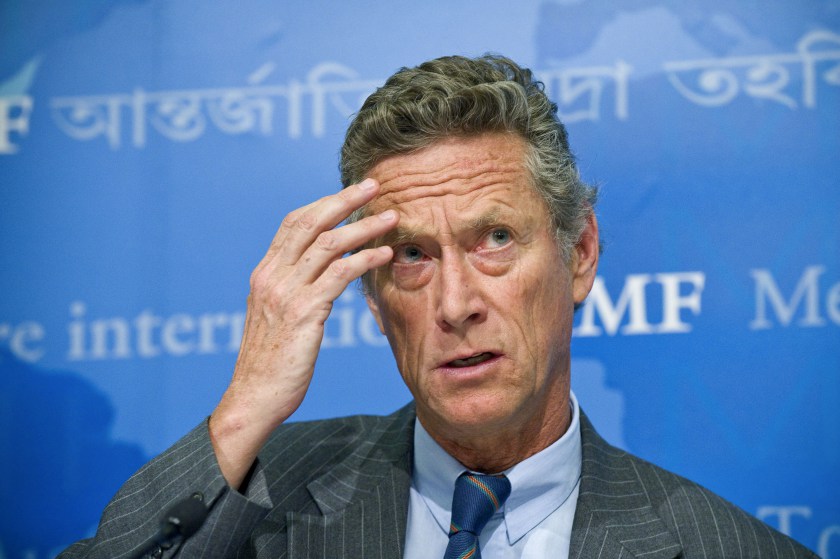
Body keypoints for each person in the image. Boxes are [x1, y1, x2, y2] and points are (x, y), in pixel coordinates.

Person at [59, 55, 817, 559]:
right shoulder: (262, 502)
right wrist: (243, 411)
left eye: (495, 239)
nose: (455, 305)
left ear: (580, 253)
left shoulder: (728, 547)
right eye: (413, 255)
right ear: (372, 292)